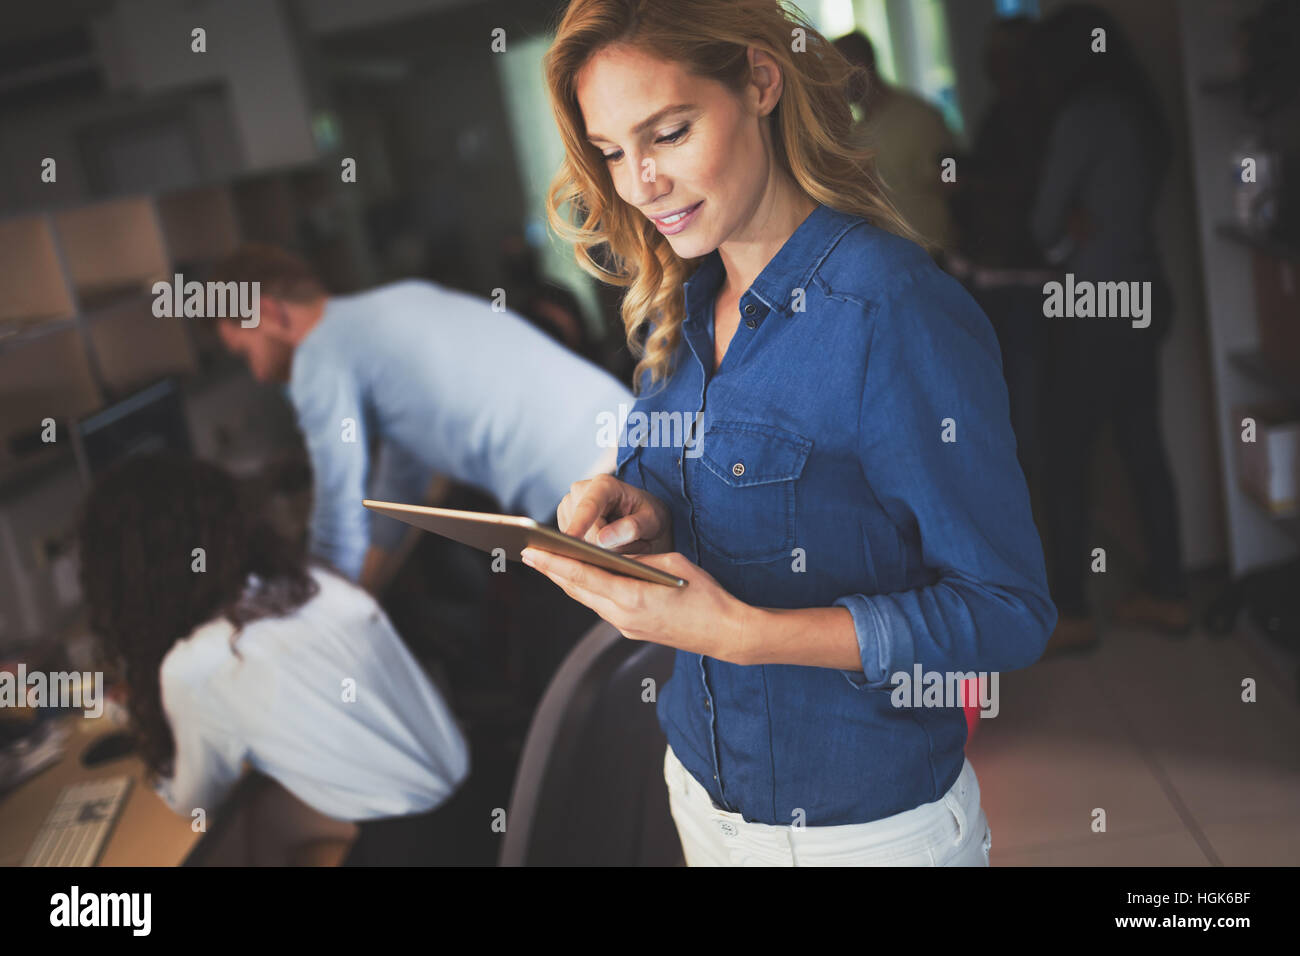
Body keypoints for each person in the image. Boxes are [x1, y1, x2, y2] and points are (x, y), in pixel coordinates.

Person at [523, 0, 1056, 866]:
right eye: (613, 152)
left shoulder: (891, 311)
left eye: (668, 132)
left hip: (864, 837)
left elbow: (1008, 614)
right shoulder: (675, 307)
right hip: (700, 798)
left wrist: (748, 632)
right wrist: (644, 512)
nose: (639, 182)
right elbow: (733, 500)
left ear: (760, 82)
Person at [76, 453, 469, 832]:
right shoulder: (312, 584)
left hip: (410, 844)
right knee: (271, 815)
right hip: (478, 793)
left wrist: (152, 753)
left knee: (255, 830)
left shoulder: (193, 666)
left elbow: (196, 803)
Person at [210, 244, 632, 591]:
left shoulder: (317, 356)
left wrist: (319, 605)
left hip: (586, 483)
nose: (258, 375)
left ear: (267, 314)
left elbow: (338, 515)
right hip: (626, 435)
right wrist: (367, 585)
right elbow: (401, 484)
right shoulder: (396, 303)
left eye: (246, 352)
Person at [1030, 4, 1191, 652]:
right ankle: (1172, 595)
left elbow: (1043, 225)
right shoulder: (1141, 114)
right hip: (1144, 290)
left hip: (1092, 302)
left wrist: (1064, 236)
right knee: (1142, 445)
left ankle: (1071, 609)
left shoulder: (1083, 115)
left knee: (1066, 455)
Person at [834, 30, 957, 251]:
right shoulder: (854, 132)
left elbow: (951, 183)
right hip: (887, 264)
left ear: (859, 66)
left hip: (930, 260)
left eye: (836, 69)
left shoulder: (917, 116)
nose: (832, 80)